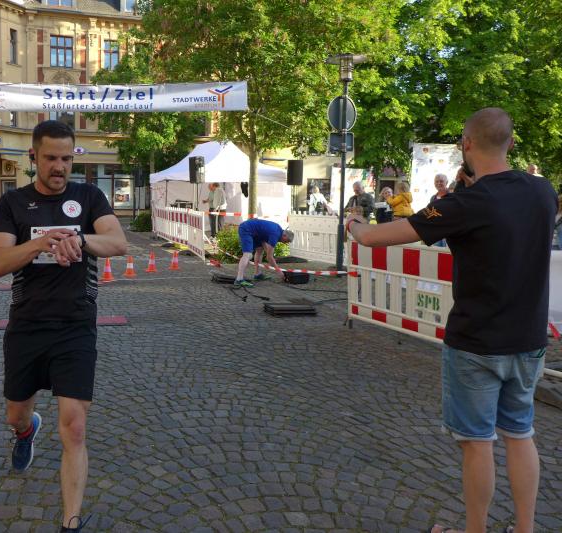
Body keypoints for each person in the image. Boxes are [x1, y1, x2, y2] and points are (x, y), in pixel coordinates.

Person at [345, 108, 557, 533]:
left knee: (478, 443)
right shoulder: (543, 190)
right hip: (528, 339)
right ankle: (525, 529)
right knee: (520, 434)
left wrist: (353, 222)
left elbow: (372, 238)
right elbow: (506, 219)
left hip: (477, 341)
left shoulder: (465, 204)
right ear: (511, 142)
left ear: (467, 144)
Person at [0, 120, 127, 533]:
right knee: (15, 413)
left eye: (66, 158)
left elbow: (118, 243)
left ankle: (71, 523)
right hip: (27, 325)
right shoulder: (12, 203)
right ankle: (26, 431)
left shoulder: (89, 197)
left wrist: (81, 240)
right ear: (34, 156)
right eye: (51, 158)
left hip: (76, 326)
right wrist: (41, 242)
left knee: (75, 426)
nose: (59, 167)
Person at [233, 219, 293, 287]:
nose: (286, 243)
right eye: (287, 241)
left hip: (256, 233)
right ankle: (239, 279)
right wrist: (278, 271)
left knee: (260, 250)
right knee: (248, 255)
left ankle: (257, 274)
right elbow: (269, 258)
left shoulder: (278, 231)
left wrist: (270, 255)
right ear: (284, 235)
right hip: (247, 229)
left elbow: (265, 244)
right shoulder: (275, 235)